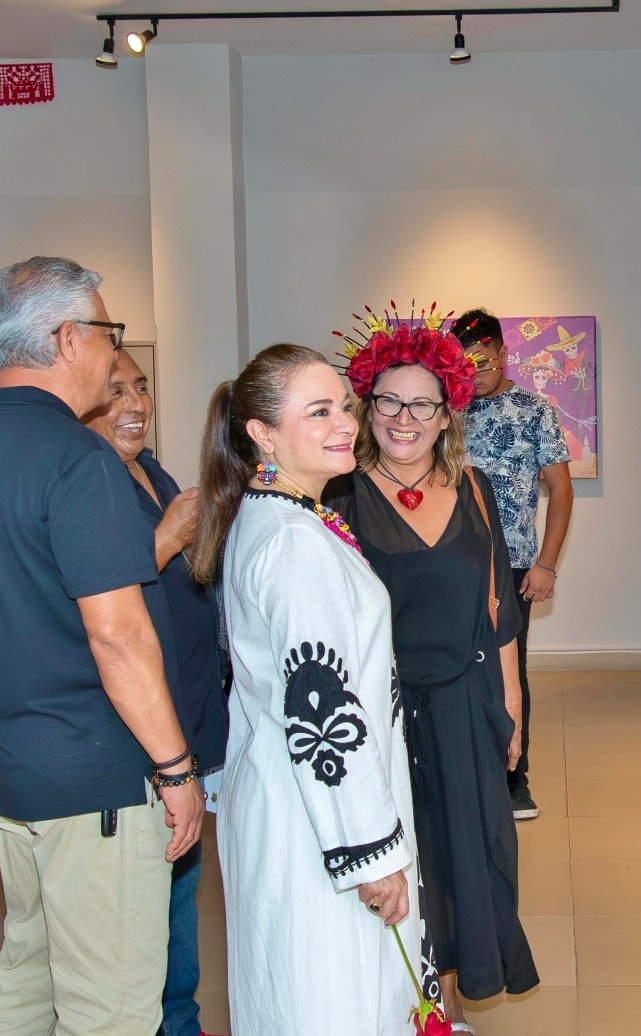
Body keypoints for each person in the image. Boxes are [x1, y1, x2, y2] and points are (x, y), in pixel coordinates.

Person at [0, 256, 203, 1035]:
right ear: (68, 337)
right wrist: (175, 768)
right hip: (95, 779)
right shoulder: (77, 459)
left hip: (15, 766)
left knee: (25, 973)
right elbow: (118, 636)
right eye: (109, 334)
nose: (115, 356)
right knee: (109, 1008)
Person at [189, 343, 426, 1035]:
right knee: (330, 997)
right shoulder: (293, 540)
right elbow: (320, 707)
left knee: (297, 990)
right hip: (316, 820)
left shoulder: (280, 515)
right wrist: (370, 855)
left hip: (288, 800)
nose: (345, 424)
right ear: (261, 434)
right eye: (318, 411)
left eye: (344, 407)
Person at [325, 311, 539, 1028]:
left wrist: (512, 709)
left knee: (465, 858)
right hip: (383, 714)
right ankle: (404, 1002)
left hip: (466, 705)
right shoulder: (338, 498)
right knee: (401, 863)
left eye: (423, 404)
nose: (404, 418)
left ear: (448, 413)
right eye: (389, 401)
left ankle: (441, 1004)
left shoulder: (475, 489)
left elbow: (499, 610)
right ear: (367, 408)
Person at [83, 351, 228, 1036]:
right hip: (143, 724)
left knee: (182, 878)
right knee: (151, 893)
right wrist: (167, 539)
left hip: (189, 704)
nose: (136, 403)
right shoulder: (89, 484)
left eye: (140, 386)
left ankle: (180, 1016)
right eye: (115, 391)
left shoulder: (151, 469)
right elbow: (98, 607)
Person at [453, 309, 573, 822]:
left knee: (508, 672)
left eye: (483, 360)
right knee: (456, 670)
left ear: (503, 354)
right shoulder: (444, 410)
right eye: (465, 363)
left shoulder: (533, 410)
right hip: (452, 562)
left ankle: (513, 780)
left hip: (514, 563)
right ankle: (462, 775)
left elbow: (561, 490)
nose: (475, 371)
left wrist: (547, 565)